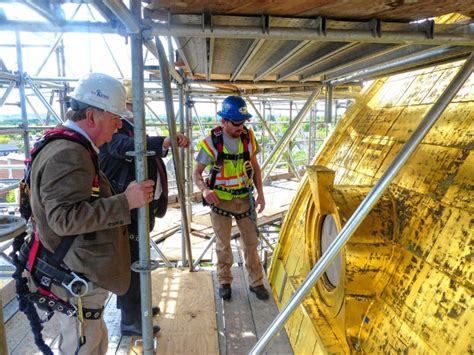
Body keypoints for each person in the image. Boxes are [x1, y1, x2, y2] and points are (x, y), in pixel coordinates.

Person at [26, 73, 155, 354]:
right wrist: (125, 202)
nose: (120, 124)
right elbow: (64, 218)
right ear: (93, 116)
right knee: (83, 345)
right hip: (73, 276)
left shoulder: (67, 144)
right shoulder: (69, 153)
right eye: (115, 117)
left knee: (92, 341)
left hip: (71, 271)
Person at [99, 80, 190, 336]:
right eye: (129, 104)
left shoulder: (126, 126)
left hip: (136, 208)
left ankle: (135, 308)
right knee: (132, 263)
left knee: (134, 260)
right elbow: (125, 148)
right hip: (127, 211)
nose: (132, 109)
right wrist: (164, 142)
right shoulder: (117, 130)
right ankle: (130, 320)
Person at [193, 95, 269, 301]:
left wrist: (261, 194)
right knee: (223, 245)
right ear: (223, 121)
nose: (240, 127)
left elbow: (255, 167)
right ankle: (224, 281)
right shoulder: (211, 143)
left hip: (245, 199)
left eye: (243, 122)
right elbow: (196, 173)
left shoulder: (248, 137)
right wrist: (205, 191)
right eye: (236, 123)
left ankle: (256, 282)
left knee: (251, 243)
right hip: (221, 202)